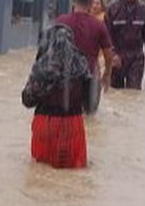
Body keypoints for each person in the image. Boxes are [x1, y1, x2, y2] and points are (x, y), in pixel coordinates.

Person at [22, 24, 92, 169]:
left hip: (46, 125)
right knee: (74, 174)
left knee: (40, 174)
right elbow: (90, 103)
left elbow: (27, 100)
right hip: (73, 126)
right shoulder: (82, 64)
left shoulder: (43, 66)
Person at [57, 0, 119, 113]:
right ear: (92, 0)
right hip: (91, 78)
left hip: (66, 78)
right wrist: (107, 74)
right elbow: (108, 55)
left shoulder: (61, 21)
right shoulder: (98, 26)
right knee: (90, 120)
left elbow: (51, 51)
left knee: (67, 117)